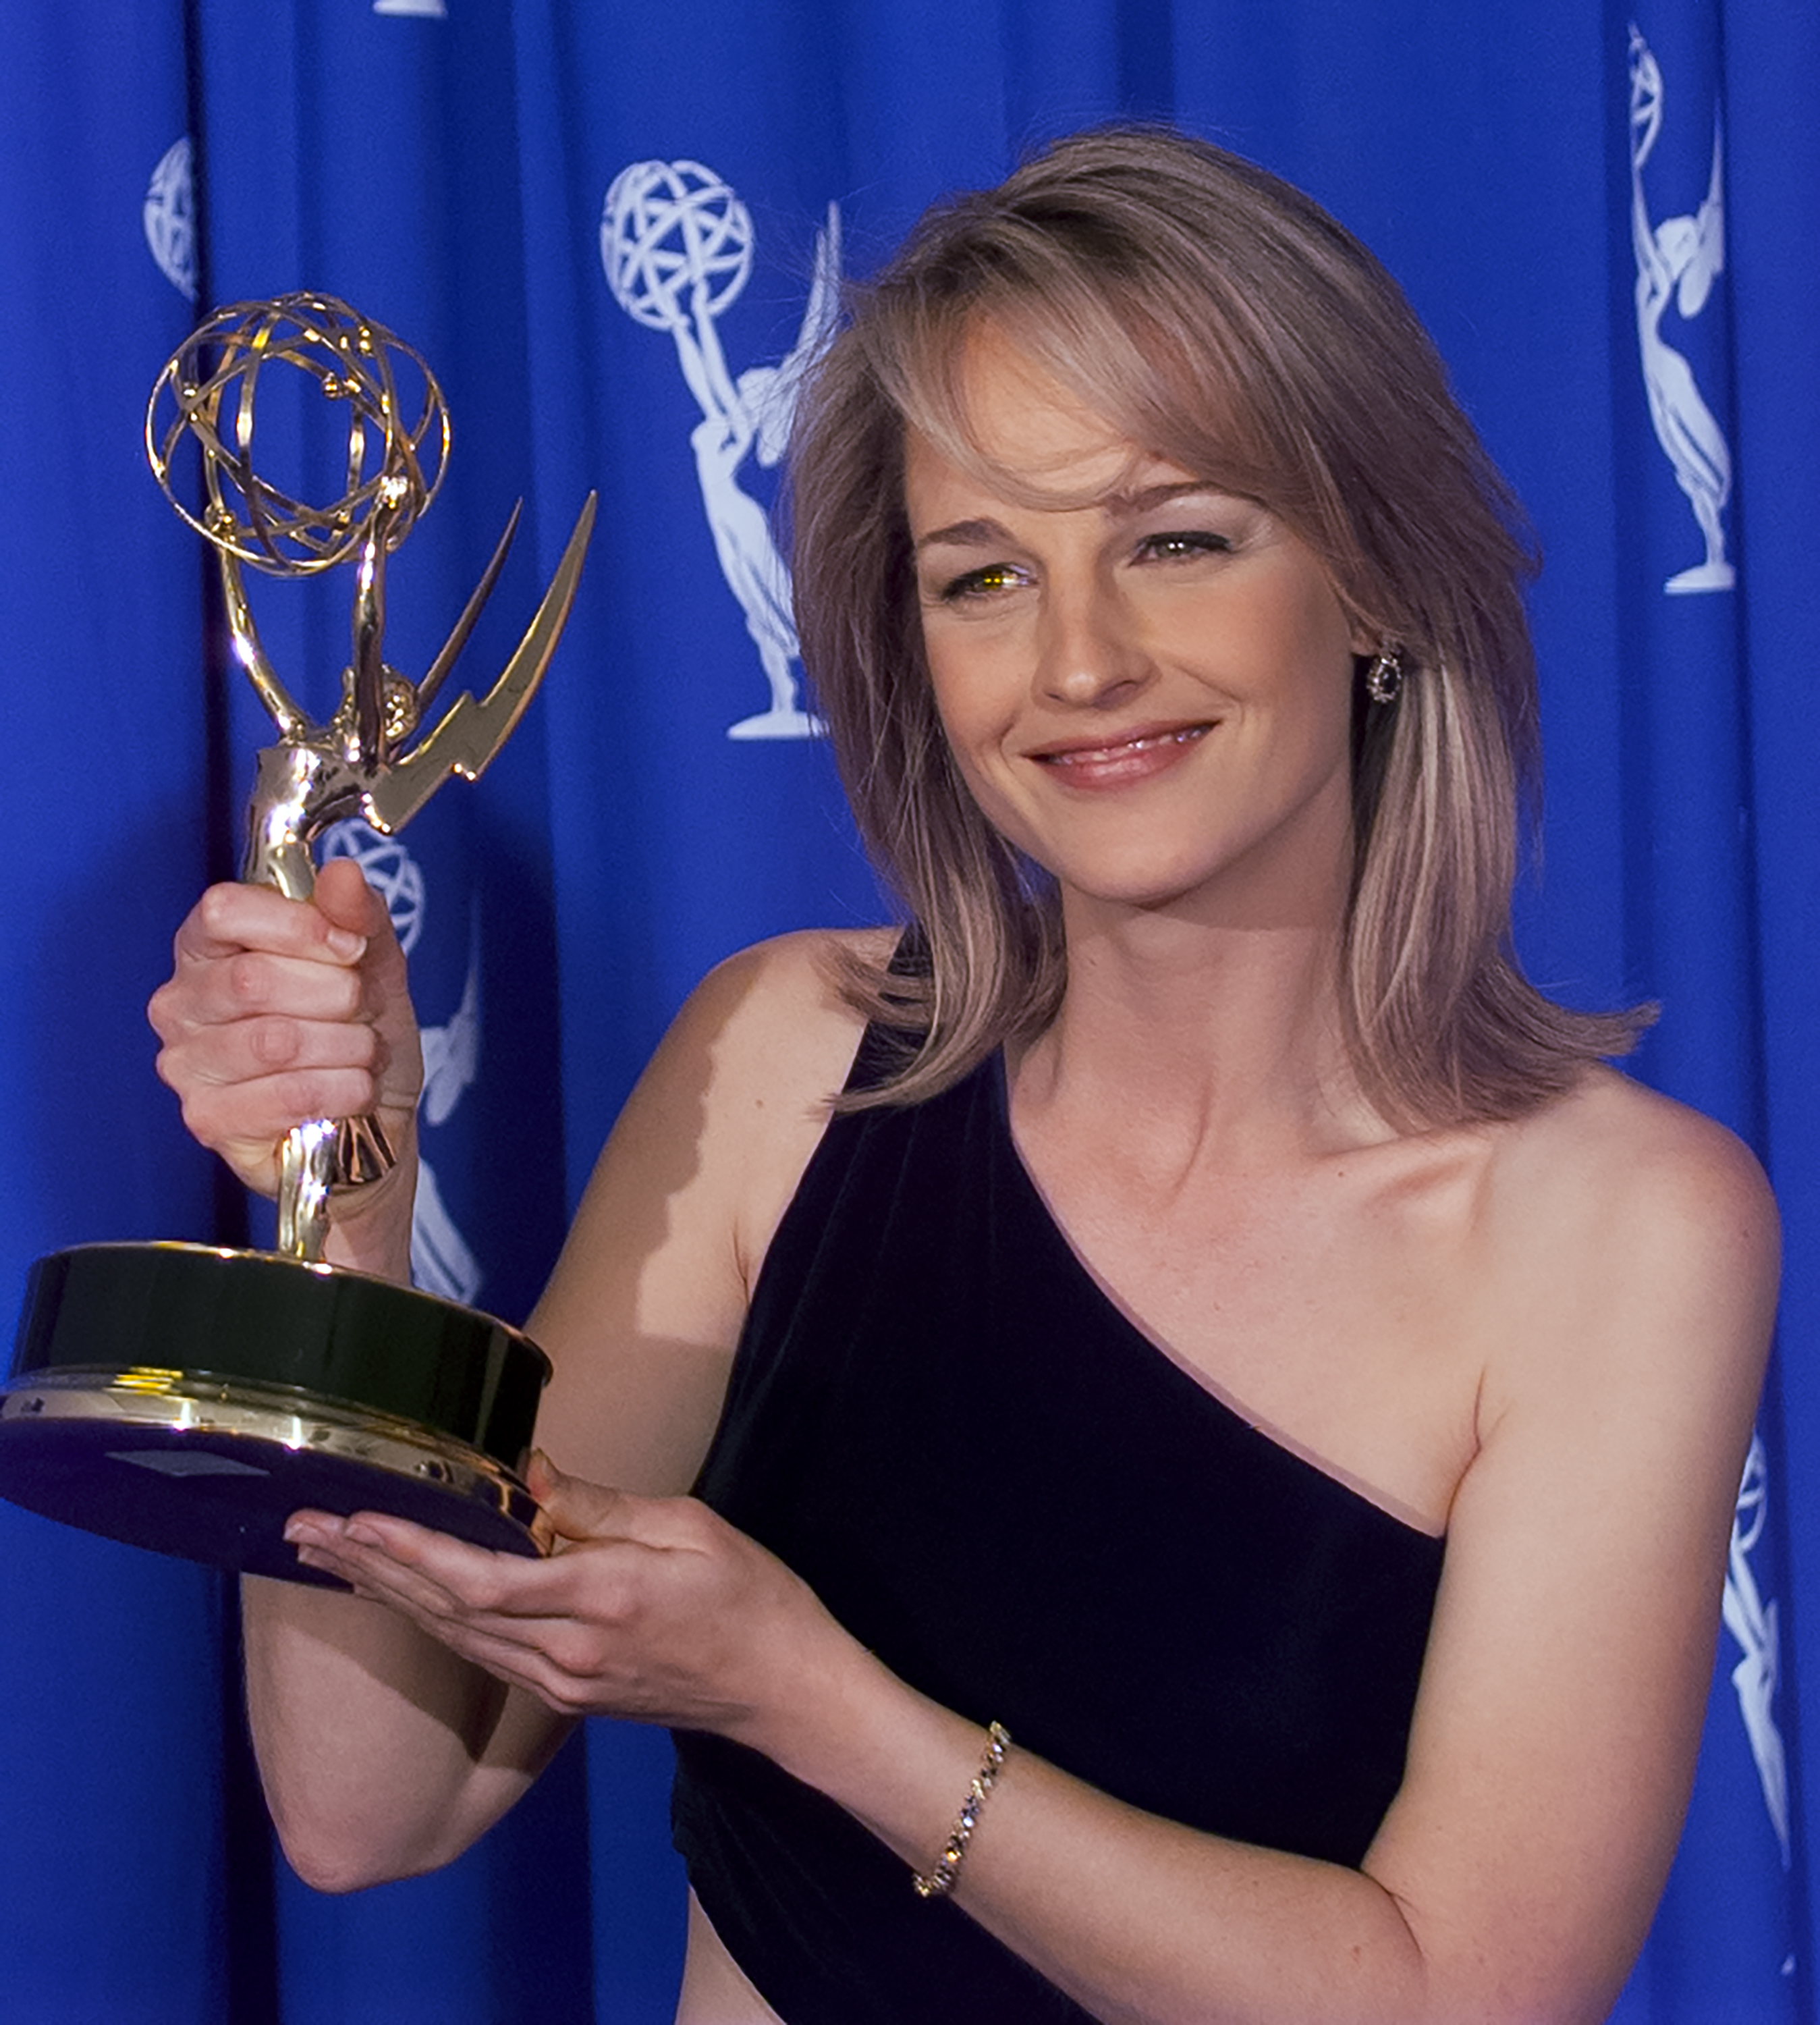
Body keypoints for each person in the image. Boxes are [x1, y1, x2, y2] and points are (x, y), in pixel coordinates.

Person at [148, 127, 1777, 2024]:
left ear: (1378, 587)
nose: (1078, 660)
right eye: (982, 575)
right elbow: (376, 1801)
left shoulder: (1618, 1228)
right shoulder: (786, 1065)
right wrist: (344, 1194)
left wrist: (808, 1697)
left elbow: (1452, 1998)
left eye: (1173, 539)